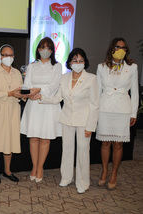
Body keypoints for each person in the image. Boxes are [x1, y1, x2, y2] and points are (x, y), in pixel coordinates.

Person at [37, 48, 99, 193]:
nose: (78, 63)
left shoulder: (91, 78)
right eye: (74, 60)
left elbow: (95, 104)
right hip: (66, 119)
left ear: (85, 62)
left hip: (84, 121)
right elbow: (57, 98)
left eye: (80, 61)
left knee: (83, 152)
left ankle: (83, 182)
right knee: (67, 149)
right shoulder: (64, 78)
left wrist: (91, 126)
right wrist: (41, 97)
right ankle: (66, 177)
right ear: (70, 63)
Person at [96, 38, 138, 190]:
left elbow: (135, 92)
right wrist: (95, 111)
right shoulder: (101, 67)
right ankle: (105, 170)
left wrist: (134, 113)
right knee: (105, 142)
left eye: (123, 47)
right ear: (112, 48)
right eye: (117, 47)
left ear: (126, 51)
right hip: (105, 108)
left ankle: (114, 173)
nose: (120, 49)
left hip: (122, 109)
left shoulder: (132, 67)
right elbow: (97, 91)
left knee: (118, 144)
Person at [21, 37, 62, 183]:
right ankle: (34, 166)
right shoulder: (32, 66)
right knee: (33, 138)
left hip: (48, 105)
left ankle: (40, 167)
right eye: (43, 47)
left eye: (49, 48)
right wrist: (31, 94)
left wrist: (38, 90)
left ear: (52, 50)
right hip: (33, 105)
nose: (45, 50)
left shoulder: (56, 66)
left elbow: (54, 86)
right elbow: (27, 84)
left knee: (45, 138)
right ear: (38, 49)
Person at [0, 44, 23, 184]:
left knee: (10, 140)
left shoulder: (17, 73)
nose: (7, 58)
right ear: (0, 56)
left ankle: (7, 170)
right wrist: (9, 93)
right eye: (5, 55)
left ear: (13, 57)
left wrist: (25, 95)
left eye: (10, 55)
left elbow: (20, 91)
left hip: (13, 109)